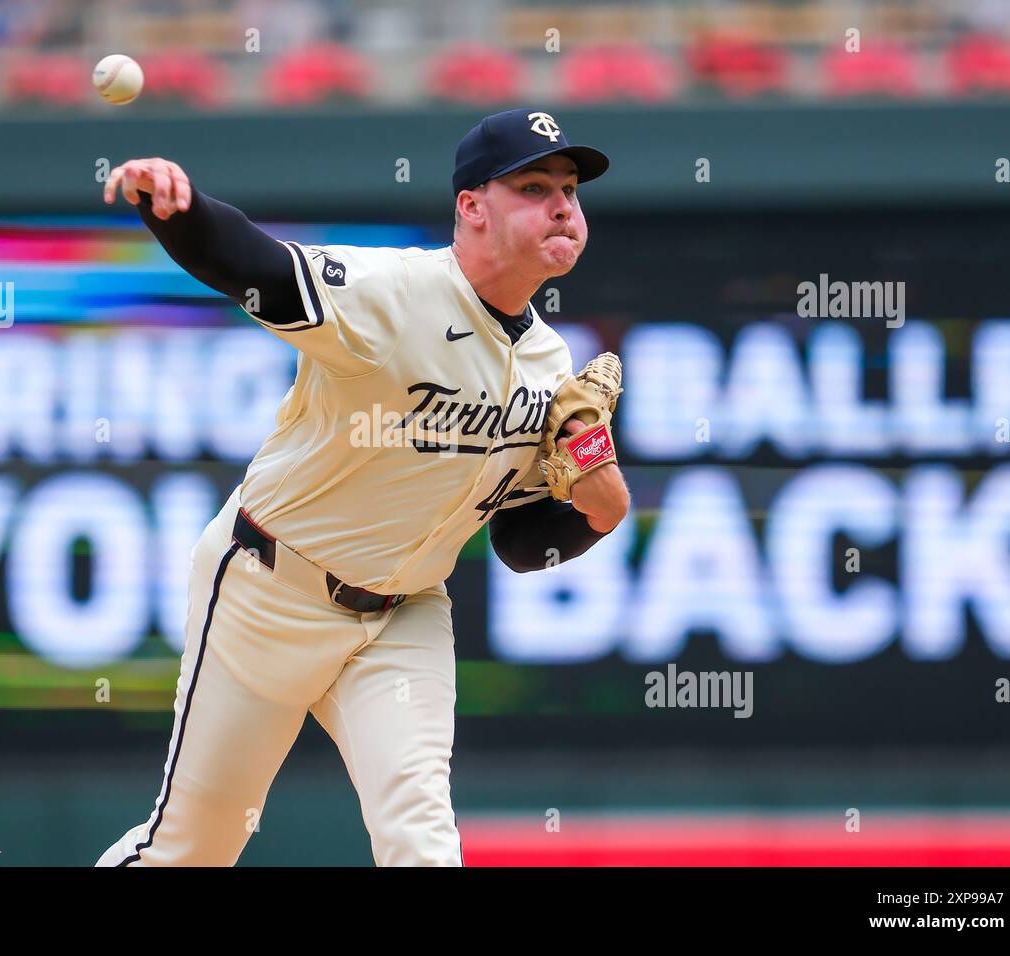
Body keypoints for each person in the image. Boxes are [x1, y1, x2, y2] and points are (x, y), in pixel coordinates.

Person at [96, 108, 630, 866]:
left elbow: (517, 542)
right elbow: (260, 270)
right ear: (471, 207)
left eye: (571, 191)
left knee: (423, 845)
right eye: (534, 187)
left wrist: (601, 503)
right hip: (268, 590)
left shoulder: (551, 368)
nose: (563, 207)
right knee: (192, 848)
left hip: (402, 616)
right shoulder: (395, 292)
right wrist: (180, 211)